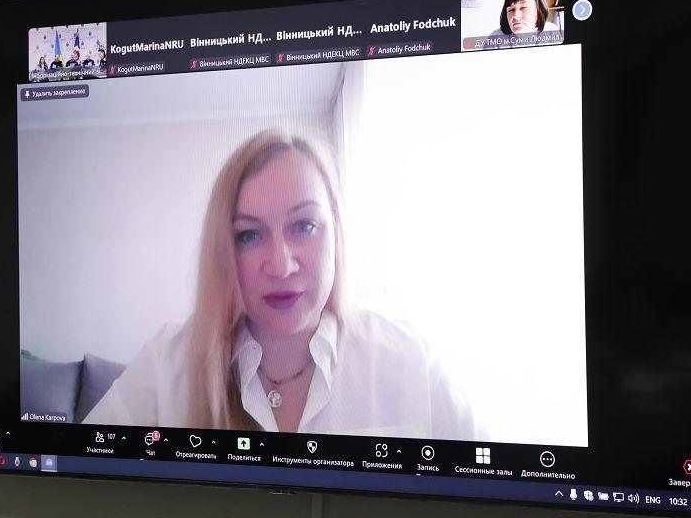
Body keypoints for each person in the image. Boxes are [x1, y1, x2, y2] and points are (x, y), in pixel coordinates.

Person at [82, 129, 477, 440]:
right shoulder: (167, 366)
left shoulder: (410, 362)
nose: (281, 265)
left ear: (336, 235)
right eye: (249, 235)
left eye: (304, 226)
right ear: (223, 250)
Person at [487, 0, 560, 39]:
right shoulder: (495, 37)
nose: (516, 16)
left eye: (523, 7)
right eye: (511, 9)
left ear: (538, 10)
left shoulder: (551, 31)